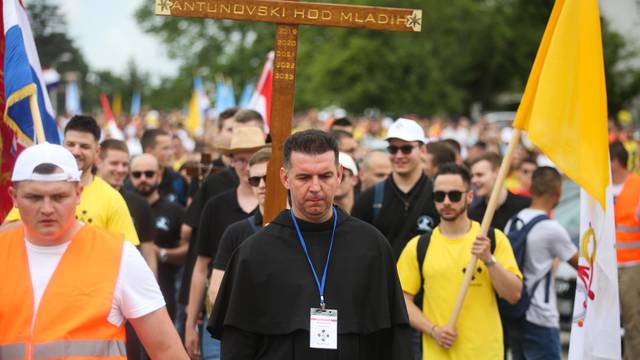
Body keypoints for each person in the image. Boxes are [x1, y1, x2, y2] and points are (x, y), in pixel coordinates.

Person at [209, 129, 412, 359]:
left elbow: (395, 341)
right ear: (285, 178)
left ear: (339, 174)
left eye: (324, 176)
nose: (315, 187)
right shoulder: (254, 253)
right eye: (304, 177)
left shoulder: (372, 246)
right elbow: (237, 346)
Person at [0, 143, 188, 359]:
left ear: (78, 193)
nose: (47, 209)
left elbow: (167, 350)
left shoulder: (118, 255)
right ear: (13, 197)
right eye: (34, 198)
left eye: (59, 197)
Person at [397, 163, 522, 360]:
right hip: (437, 354)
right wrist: (433, 330)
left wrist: (489, 260)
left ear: (469, 196)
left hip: (486, 354)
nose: (446, 202)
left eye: (454, 195)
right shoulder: (419, 246)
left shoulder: (492, 239)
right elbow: (402, 301)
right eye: (439, 196)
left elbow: (513, 294)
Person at [185, 126, 266, 359]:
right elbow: (201, 267)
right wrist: (191, 323)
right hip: (221, 315)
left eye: (253, 157)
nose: (246, 165)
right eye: (240, 159)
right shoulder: (216, 205)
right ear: (230, 161)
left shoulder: (283, 208)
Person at [1, 115, 140, 246]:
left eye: (84, 146)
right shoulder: (41, 190)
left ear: (97, 151)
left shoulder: (112, 198)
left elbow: (126, 251)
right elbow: (5, 232)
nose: (76, 151)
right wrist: (44, 223)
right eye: (71, 144)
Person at [504, 166, 578, 360]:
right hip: (541, 317)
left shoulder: (514, 221)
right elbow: (582, 265)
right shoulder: (551, 228)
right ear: (558, 192)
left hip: (516, 312)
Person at [352, 118, 439, 260]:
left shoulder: (440, 195)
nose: (399, 155)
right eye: (393, 149)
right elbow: (357, 248)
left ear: (422, 150)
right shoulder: (370, 198)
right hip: (384, 280)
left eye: (406, 149)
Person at [207, 148, 272, 307]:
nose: (262, 185)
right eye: (255, 180)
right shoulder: (236, 232)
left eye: (268, 178)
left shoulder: (301, 226)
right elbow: (216, 291)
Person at [130, 154, 188, 322]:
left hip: (165, 293)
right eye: (137, 174)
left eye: (149, 174)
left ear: (159, 176)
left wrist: (161, 253)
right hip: (127, 294)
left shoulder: (175, 210)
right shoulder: (120, 206)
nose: (143, 179)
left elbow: (189, 249)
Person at [98, 139, 157, 271]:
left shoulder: (141, 204)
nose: (120, 169)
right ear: (99, 162)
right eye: (114, 163)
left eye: (125, 165)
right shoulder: (80, 198)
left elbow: (148, 255)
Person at [610, 141, 640, 360]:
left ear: (614, 162)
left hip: (631, 266)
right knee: (604, 321)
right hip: (606, 265)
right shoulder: (601, 187)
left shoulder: (637, 186)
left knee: (632, 322)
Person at [469, 152, 531, 231]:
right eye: (472, 176)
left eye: (479, 175)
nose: (473, 180)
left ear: (497, 172)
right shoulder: (473, 215)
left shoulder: (525, 205)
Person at [140, 128, 188, 206]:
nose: (171, 153)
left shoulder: (178, 180)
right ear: (149, 151)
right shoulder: (131, 181)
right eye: (166, 148)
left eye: (171, 148)